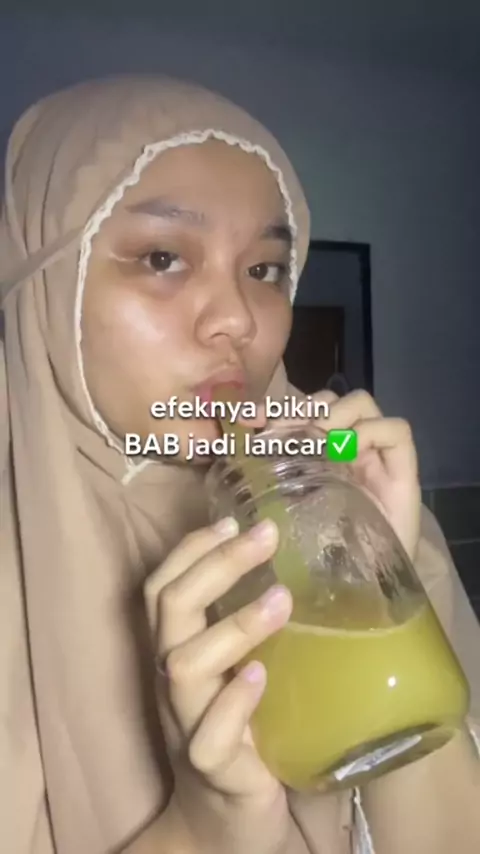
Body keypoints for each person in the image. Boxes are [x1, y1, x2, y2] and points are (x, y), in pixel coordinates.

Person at [0, 74, 479, 854]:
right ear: (46, 285)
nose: (237, 321)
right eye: (163, 257)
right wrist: (207, 826)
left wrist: (373, 583)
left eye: (264, 271)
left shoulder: (351, 494)